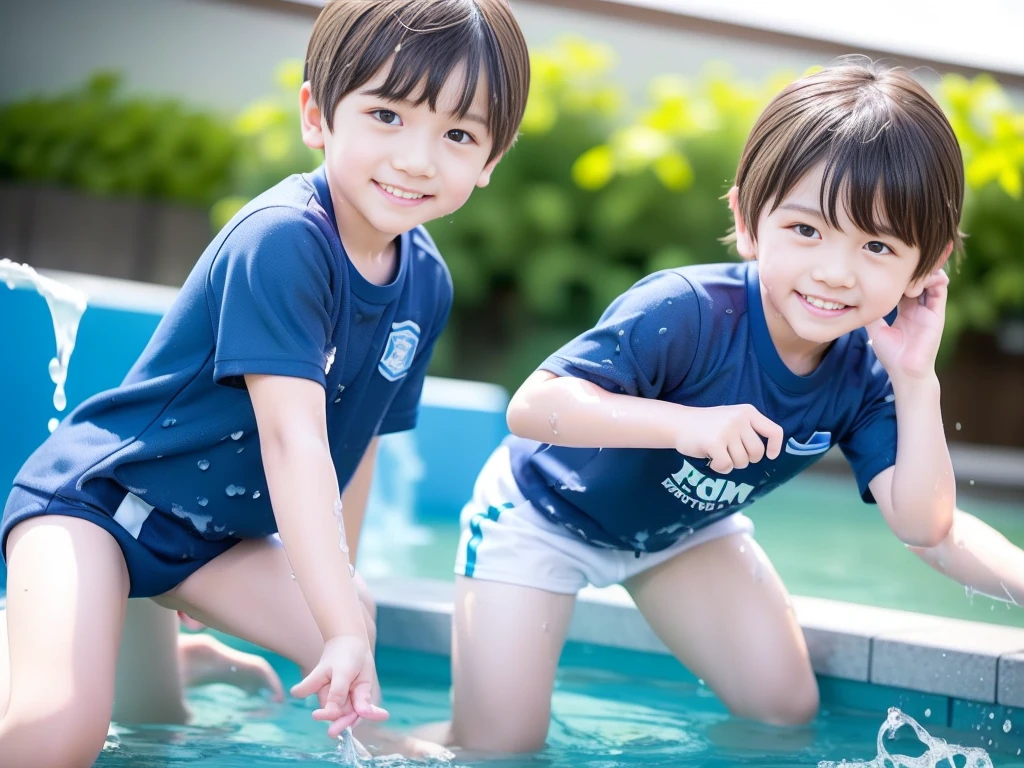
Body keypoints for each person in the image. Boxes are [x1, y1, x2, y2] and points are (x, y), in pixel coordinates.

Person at [430, 60, 1024, 753]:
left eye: (877, 246)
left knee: (784, 710)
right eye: (806, 230)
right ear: (748, 220)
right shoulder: (686, 311)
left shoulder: (869, 372)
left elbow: (928, 529)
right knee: (495, 750)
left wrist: (918, 380)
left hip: (680, 535)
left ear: (927, 265)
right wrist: (687, 425)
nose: (835, 270)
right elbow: (533, 406)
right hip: (542, 516)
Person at [0, 0, 529, 764]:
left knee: (284, 668)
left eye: (457, 134)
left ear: (490, 160)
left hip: (209, 542)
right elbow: (292, 440)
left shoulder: (427, 283)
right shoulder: (282, 242)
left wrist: (343, 603)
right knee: (61, 732)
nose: (417, 158)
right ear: (318, 114)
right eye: (386, 114)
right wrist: (340, 622)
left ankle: (173, 663)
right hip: (99, 507)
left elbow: (359, 446)